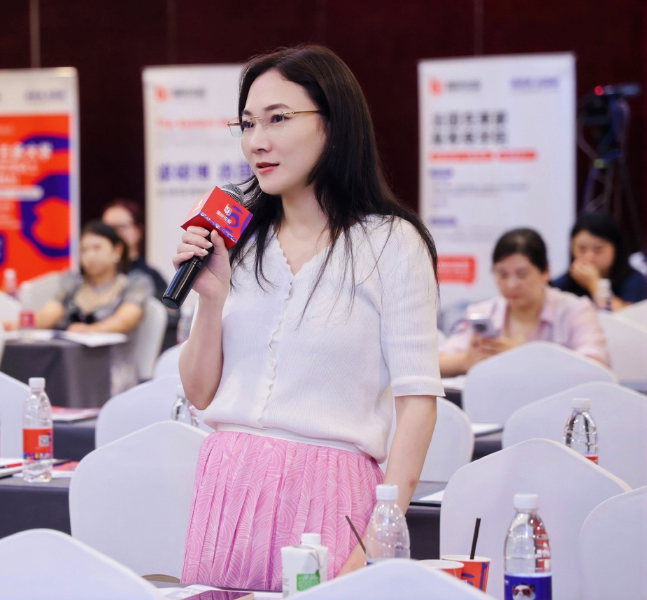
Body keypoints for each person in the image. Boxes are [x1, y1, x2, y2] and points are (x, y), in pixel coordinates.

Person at [175, 45, 442, 590]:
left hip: (330, 494)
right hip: (227, 488)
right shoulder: (237, 240)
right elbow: (199, 394)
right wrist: (211, 299)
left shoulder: (392, 243)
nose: (257, 141)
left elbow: (417, 403)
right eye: (248, 123)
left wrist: (377, 540)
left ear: (334, 124)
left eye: (278, 119)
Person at [439, 228, 610, 376]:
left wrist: (524, 357)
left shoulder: (575, 310)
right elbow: (436, 363)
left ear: (545, 271)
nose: (511, 285)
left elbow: (597, 367)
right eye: (502, 274)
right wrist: (465, 361)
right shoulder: (483, 312)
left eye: (522, 275)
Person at [10, 221, 153, 394]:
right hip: (68, 367)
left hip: (111, 369)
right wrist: (13, 325)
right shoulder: (72, 283)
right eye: (84, 250)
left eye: (97, 248)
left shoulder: (134, 283)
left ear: (117, 251)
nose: (90, 255)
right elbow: (48, 316)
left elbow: (126, 319)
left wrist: (92, 330)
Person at [552, 212, 647, 310]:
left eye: (598, 249)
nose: (589, 257)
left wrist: (595, 285)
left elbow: (626, 317)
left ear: (616, 249)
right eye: (582, 249)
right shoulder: (559, 285)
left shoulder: (635, 281)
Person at [101, 199, 168, 298]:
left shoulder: (150, 276)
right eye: (107, 228)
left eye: (121, 227)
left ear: (138, 230)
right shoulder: (94, 274)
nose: (114, 234)